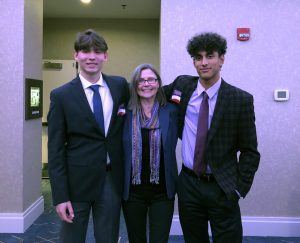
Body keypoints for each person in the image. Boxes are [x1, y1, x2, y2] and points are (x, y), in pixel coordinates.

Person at [163, 32, 260, 243]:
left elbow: (250, 151)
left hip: (222, 187)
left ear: (222, 58)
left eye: (210, 56)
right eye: (198, 57)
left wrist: (238, 189)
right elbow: (150, 92)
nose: (204, 62)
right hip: (188, 184)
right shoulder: (182, 86)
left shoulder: (239, 100)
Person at [47, 29, 129, 243]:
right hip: (76, 184)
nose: (91, 56)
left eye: (97, 51)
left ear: (105, 56)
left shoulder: (120, 86)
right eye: (85, 51)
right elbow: (55, 149)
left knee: (108, 238)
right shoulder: (61, 95)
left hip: (111, 181)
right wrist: (60, 196)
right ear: (76, 55)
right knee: (72, 239)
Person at [122, 64, 178, 243]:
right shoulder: (125, 113)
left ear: (158, 84)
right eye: (141, 80)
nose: (146, 84)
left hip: (162, 191)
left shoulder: (171, 111)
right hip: (132, 192)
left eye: (151, 79)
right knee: (136, 239)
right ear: (135, 85)